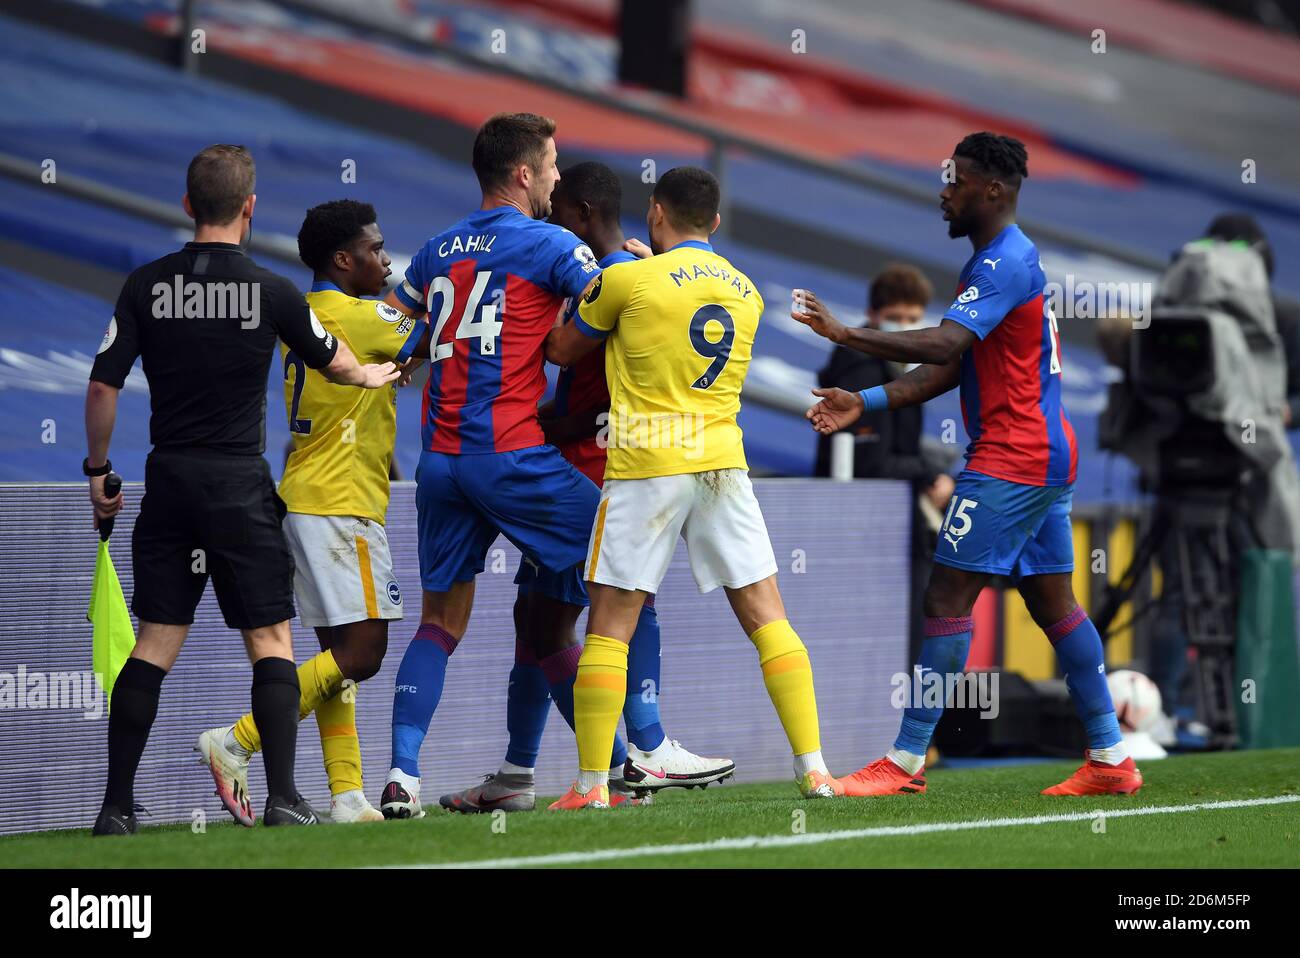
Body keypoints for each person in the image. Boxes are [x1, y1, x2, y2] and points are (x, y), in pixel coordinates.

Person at [797, 132, 1142, 796]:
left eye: (955, 181)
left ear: (992, 188)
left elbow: (947, 341)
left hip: (1013, 455)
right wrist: (864, 399)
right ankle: (1110, 757)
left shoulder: (1002, 263)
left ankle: (902, 763)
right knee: (1053, 601)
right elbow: (955, 365)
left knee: (946, 595)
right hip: (1042, 450)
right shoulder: (998, 261)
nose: (943, 193)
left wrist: (847, 334)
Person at [85, 146, 399, 834]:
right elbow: (335, 357)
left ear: (188, 203)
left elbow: (103, 384)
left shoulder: (145, 286)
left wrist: (98, 473)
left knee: (155, 643)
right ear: (250, 208)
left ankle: (113, 809)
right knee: (272, 640)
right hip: (239, 481)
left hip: (170, 478)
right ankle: (286, 797)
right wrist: (372, 377)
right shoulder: (271, 290)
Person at [436, 162, 734, 813]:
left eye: (556, 206)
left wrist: (516, 414)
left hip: (599, 473)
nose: (544, 215)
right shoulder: (616, 274)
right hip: (569, 469)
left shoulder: (623, 282)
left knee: (614, 610)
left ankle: (637, 757)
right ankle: (526, 773)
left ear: (580, 211)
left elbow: (579, 391)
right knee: (540, 619)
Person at [545, 166, 843, 809]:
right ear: (712, 221)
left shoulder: (625, 278)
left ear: (655, 211)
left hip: (646, 465)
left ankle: (592, 786)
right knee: (768, 616)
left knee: (611, 625)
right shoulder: (747, 290)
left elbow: (562, 350)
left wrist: (602, 286)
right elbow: (685, 311)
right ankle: (815, 769)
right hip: (721, 467)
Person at [374, 113, 610, 819]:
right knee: (622, 553)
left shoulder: (435, 250)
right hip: (512, 455)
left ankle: (401, 777)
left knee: (440, 623)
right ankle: (634, 756)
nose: (559, 177)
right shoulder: (549, 243)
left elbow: (389, 330)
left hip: (440, 462)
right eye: (553, 163)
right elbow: (613, 299)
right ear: (523, 174)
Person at [198, 200, 428, 825]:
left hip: (305, 496)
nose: (385, 260)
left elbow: (396, 353)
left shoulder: (309, 312)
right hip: (340, 502)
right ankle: (237, 739)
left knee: (334, 658)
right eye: (376, 250)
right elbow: (431, 332)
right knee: (364, 651)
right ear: (343, 259)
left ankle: (346, 794)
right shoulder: (358, 314)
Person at [814, 263, 955, 661]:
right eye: (895, 318)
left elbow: (898, 451)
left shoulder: (900, 367)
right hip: (861, 534)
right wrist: (930, 477)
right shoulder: (860, 366)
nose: (905, 326)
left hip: (886, 527)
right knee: (884, 650)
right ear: (873, 316)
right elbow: (870, 463)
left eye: (913, 318)